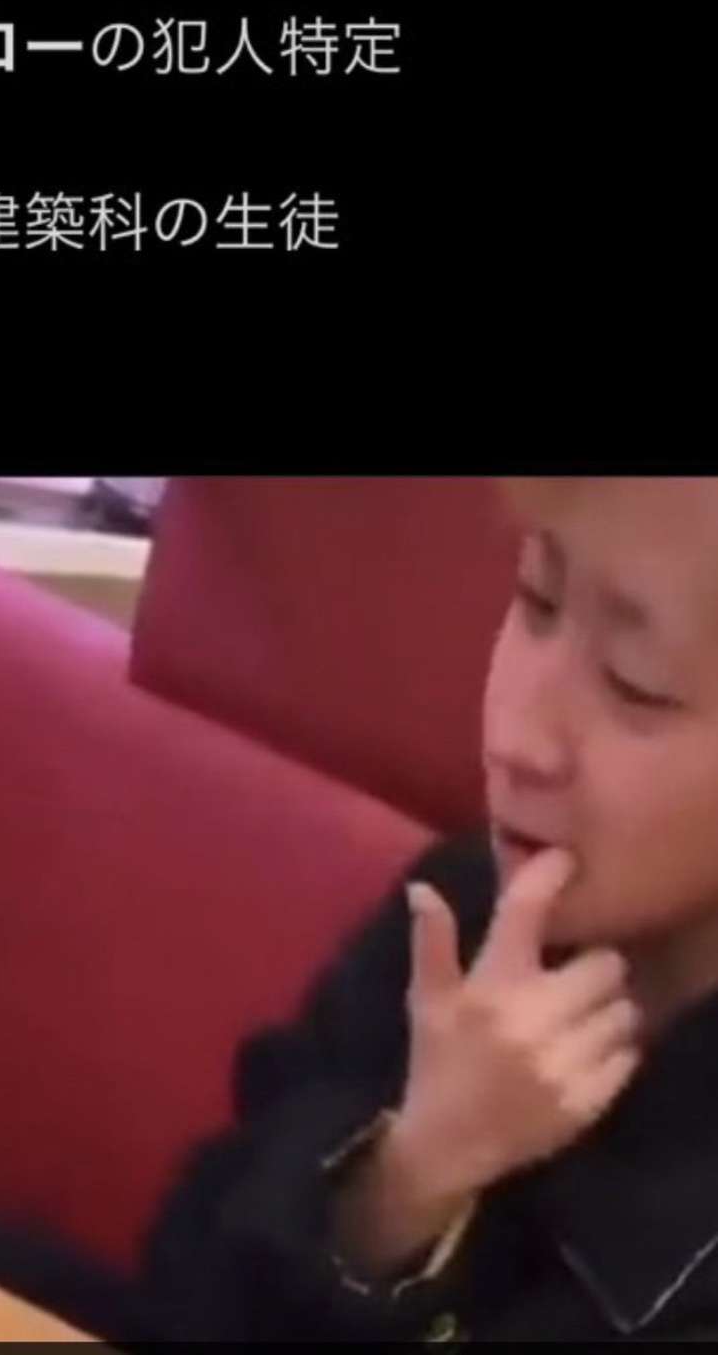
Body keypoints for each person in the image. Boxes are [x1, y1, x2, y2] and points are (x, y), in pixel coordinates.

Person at [140, 477, 718, 1342]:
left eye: (636, 685)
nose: (517, 737)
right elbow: (181, 1279)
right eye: (537, 600)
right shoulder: (468, 904)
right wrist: (410, 1178)